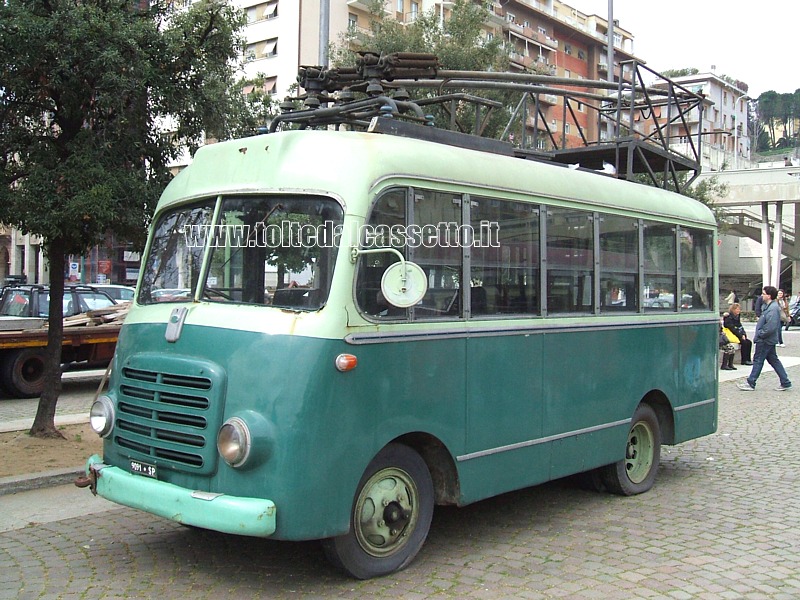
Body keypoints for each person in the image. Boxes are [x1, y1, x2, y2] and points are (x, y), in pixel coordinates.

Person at [737, 286, 792, 391]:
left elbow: (770, 326)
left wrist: (760, 334)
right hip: (768, 339)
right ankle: (785, 381)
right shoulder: (770, 306)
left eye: (763, 294)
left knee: (758, 360)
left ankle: (751, 382)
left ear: (769, 296)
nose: (762, 296)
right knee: (773, 360)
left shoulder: (772, 308)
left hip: (765, 339)